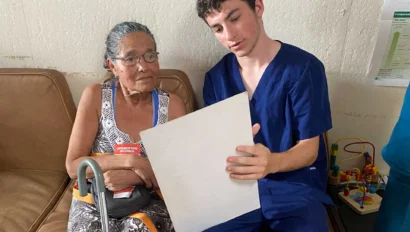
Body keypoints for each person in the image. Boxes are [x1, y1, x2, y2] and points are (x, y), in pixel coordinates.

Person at [196, 0, 333, 231]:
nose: (229, 35)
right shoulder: (216, 79)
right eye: (218, 28)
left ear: (258, 8)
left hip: (295, 190)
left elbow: (310, 150)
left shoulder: (304, 68)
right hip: (237, 192)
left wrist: (270, 163)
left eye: (235, 18)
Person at [65, 21, 186, 232]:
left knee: (139, 227)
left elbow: (182, 170)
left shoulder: (173, 105)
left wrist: (136, 176)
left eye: (150, 56)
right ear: (113, 66)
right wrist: (131, 160)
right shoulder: (95, 96)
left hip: (150, 200)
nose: (143, 66)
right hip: (97, 198)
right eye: (130, 58)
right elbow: (74, 167)